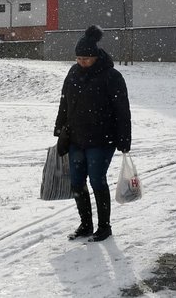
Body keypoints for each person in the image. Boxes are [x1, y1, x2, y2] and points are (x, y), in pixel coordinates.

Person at [53, 25, 131, 242]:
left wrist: (124, 140)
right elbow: (64, 102)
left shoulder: (112, 77)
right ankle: (85, 224)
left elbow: (122, 110)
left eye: (86, 58)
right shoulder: (72, 72)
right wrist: (60, 128)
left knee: (97, 180)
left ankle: (104, 227)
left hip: (101, 139)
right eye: (78, 58)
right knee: (77, 183)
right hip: (76, 138)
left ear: (96, 56)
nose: (81, 62)